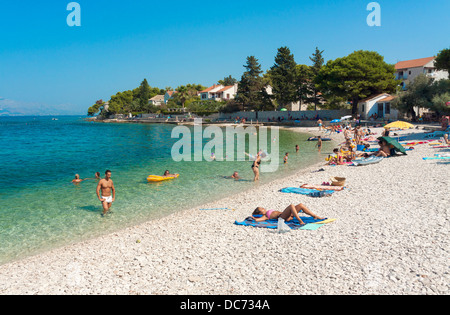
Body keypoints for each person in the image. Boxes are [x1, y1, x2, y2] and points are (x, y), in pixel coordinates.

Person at [251, 203, 324, 226]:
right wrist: (254, 219)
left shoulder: (267, 212)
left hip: (286, 215)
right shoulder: (265, 216)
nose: (264, 208)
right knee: (291, 206)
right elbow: (259, 219)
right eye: (262, 209)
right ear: (260, 213)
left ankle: (315, 216)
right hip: (282, 217)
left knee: (300, 205)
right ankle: (300, 220)